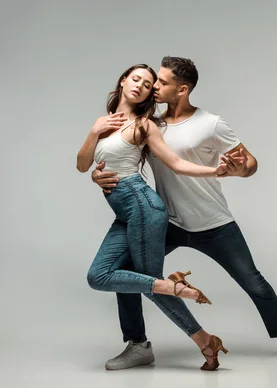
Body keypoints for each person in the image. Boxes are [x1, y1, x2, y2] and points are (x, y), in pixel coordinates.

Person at [91, 56, 277, 371]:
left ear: (182, 89)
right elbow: (122, 157)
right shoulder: (153, 123)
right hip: (169, 222)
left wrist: (237, 171)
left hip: (213, 223)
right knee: (128, 272)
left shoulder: (210, 123)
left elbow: (250, 163)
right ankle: (137, 344)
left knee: (252, 280)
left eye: (162, 82)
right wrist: (99, 176)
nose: (155, 86)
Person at [77, 63, 231, 371]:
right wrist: (94, 134)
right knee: (125, 278)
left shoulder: (144, 125)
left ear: (150, 94)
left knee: (126, 279)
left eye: (148, 85)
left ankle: (151, 331)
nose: (140, 86)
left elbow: (175, 162)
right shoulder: (104, 123)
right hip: (126, 215)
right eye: (135, 79)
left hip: (143, 208)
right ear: (123, 81)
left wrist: (215, 170)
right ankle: (196, 339)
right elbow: (82, 165)